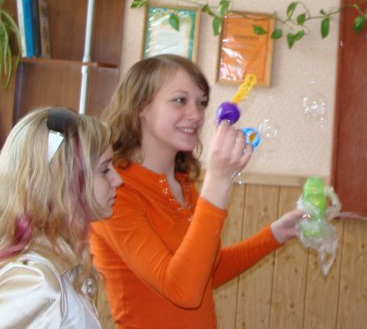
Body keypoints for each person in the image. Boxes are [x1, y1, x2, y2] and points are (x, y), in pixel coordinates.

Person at [90, 54, 302, 328]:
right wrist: (218, 179)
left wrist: (274, 234)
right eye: (180, 100)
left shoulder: (182, 183)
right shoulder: (115, 191)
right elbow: (184, 290)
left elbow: (206, 273)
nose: (197, 115)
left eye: (201, 103)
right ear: (141, 106)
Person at [0, 107, 123, 328]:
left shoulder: (61, 265)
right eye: (105, 170)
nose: (118, 180)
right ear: (63, 181)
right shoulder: (34, 280)